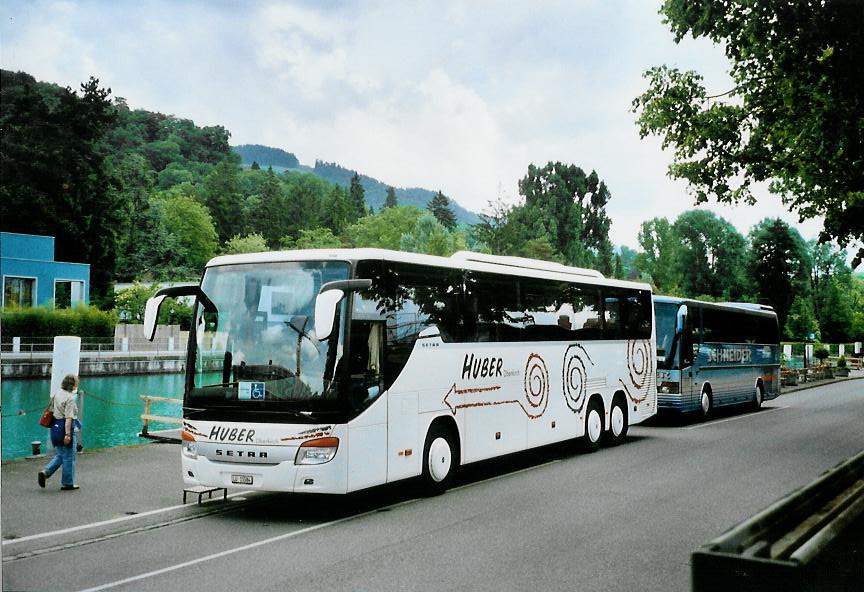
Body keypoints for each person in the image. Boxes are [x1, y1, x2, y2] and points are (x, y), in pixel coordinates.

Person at [38, 374, 81, 491]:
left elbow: (51, 409)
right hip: (64, 428)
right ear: (73, 385)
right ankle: (68, 483)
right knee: (69, 457)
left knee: (61, 454)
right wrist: (67, 434)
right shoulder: (70, 398)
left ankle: (46, 472)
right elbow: (68, 418)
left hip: (55, 427)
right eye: (76, 383)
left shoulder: (57, 394)